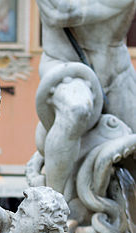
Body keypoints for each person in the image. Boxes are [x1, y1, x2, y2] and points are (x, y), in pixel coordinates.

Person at [36, 0, 136, 194]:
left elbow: (63, 12)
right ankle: (51, 204)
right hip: (63, 65)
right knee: (76, 109)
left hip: (115, 71)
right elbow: (55, 14)